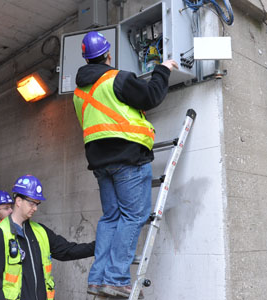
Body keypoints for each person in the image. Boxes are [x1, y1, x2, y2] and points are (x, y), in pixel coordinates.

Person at [72, 31, 178, 298]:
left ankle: (98, 279)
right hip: (128, 159)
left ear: (86, 60)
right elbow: (152, 96)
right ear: (108, 55)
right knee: (135, 216)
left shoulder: (78, 93)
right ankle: (117, 278)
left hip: (100, 164)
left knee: (111, 218)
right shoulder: (116, 78)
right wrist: (162, 69)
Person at [0, 174, 95, 300]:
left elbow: (68, 250)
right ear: (18, 201)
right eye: (32, 203)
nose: (35, 208)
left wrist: (99, 246)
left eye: (37, 204)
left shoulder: (41, 231)